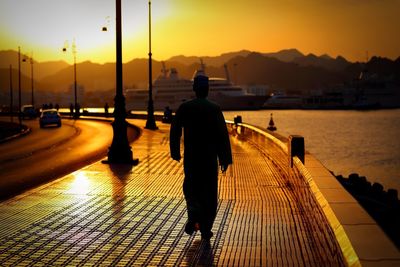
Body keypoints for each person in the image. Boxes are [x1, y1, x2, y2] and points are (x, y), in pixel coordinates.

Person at [170, 74, 232, 241]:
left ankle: (193, 214)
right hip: (210, 159)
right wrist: (225, 158)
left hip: (192, 157)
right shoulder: (214, 109)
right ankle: (205, 229)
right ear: (208, 89)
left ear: (194, 89)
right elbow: (222, 135)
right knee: (209, 194)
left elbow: (175, 130)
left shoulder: (185, 107)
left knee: (191, 188)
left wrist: (175, 151)